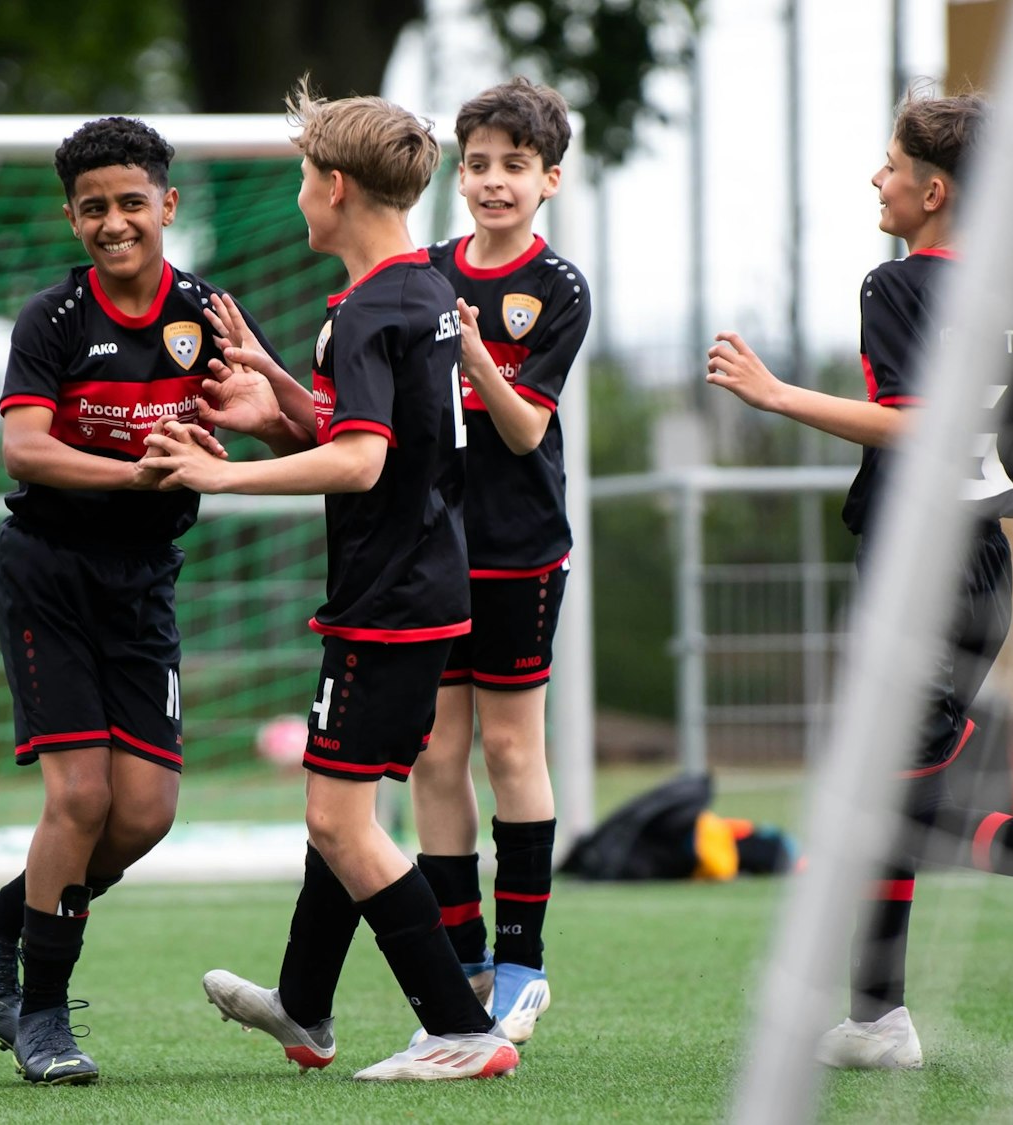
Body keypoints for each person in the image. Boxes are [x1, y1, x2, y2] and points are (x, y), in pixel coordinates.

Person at [705, 92, 1013, 1071]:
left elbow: (919, 424)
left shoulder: (896, 288)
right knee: (887, 796)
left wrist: (776, 394)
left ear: (932, 190)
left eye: (888, 164)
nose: (874, 180)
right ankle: (877, 1019)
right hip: (983, 578)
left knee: (890, 805)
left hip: (916, 574)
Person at [142, 79, 517, 1082]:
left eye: (305, 179)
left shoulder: (368, 309)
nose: (300, 197)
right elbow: (370, 445)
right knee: (335, 805)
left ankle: (458, 1026)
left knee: (335, 817)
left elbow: (357, 465)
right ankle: (304, 1006)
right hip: (416, 589)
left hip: (389, 601)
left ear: (336, 186)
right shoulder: (419, 288)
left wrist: (224, 471)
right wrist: (274, 409)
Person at [0, 116, 283, 1086]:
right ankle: (42, 1017)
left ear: (168, 206)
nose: (114, 221)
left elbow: (249, 418)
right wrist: (135, 472)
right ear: (71, 218)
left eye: (132, 202)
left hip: (144, 585)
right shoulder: (51, 319)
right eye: (94, 207)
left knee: (144, 815)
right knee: (80, 797)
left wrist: (221, 443)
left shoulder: (208, 311)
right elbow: (24, 449)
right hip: (49, 573)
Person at [413, 77, 591, 1045]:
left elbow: (524, 432)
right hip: (430, 547)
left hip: (518, 548)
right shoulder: (423, 269)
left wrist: (476, 355)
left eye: (512, 167)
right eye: (476, 165)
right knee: (434, 753)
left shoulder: (556, 288)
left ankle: (523, 963)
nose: (490, 182)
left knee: (511, 747)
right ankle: (463, 957)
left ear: (547, 180)